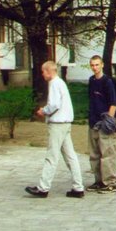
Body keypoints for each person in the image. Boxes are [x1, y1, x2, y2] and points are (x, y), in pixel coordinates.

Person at [25, 60, 85, 198]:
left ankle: (43, 188)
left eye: (43, 71)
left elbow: (54, 104)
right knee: (70, 156)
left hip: (58, 124)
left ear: (48, 71)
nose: (42, 74)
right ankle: (78, 187)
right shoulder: (60, 83)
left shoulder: (54, 84)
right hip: (65, 123)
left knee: (52, 156)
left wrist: (43, 111)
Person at [87, 55, 116, 193]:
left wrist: (109, 122)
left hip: (104, 123)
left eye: (97, 65)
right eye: (92, 65)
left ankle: (111, 182)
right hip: (93, 122)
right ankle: (99, 181)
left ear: (102, 65)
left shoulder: (107, 82)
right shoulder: (91, 80)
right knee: (94, 154)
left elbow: (113, 103)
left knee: (107, 153)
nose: (95, 67)